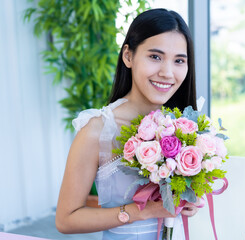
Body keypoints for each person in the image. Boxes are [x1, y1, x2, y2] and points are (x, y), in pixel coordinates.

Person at [55, 8, 199, 240]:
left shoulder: (184, 128)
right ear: (128, 56)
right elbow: (66, 219)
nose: (167, 72)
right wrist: (142, 211)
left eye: (179, 60)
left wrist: (190, 201)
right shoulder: (97, 130)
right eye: (155, 57)